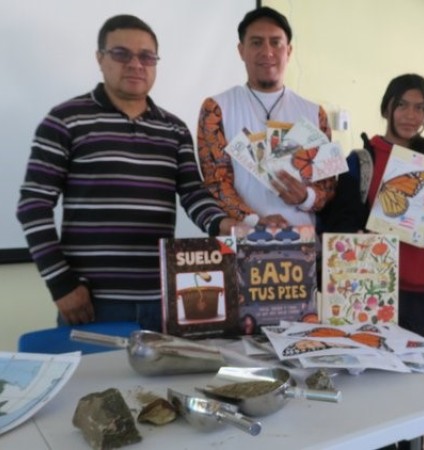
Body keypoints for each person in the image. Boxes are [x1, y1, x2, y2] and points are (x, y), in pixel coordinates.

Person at [16, 15, 236, 332]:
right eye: (121, 54)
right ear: (100, 58)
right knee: (90, 384)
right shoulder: (65, 120)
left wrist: (224, 224)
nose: (136, 64)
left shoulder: (174, 129)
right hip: (91, 302)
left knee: (160, 384)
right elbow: (32, 207)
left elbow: (192, 193)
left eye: (146, 56)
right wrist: (60, 284)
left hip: (164, 299)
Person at [319, 74, 424, 338]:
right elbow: (338, 222)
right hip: (369, 287)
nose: (410, 115)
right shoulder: (361, 161)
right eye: (402, 105)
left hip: (417, 291)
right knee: (365, 371)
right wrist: (358, 236)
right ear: (386, 109)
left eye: (420, 108)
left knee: (410, 374)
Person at [197, 6, 336, 229]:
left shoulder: (314, 113)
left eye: (275, 42)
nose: (267, 52)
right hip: (241, 241)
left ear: (289, 51)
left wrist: (306, 197)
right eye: (256, 42)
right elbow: (216, 182)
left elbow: (328, 186)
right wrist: (255, 221)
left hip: (302, 243)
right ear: (241, 51)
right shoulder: (216, 108)